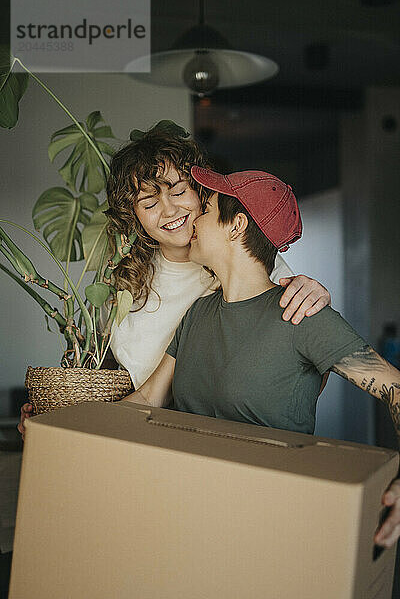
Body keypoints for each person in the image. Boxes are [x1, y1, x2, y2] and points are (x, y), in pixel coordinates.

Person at [120, 166, 400, 549]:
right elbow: (147, 399)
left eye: (207, 209)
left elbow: (396, 389)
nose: (195, 218)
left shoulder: (302, 314)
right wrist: (59, 428)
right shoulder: (199, 313)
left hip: (271, 526)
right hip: (190, 518)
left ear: (236, 225)